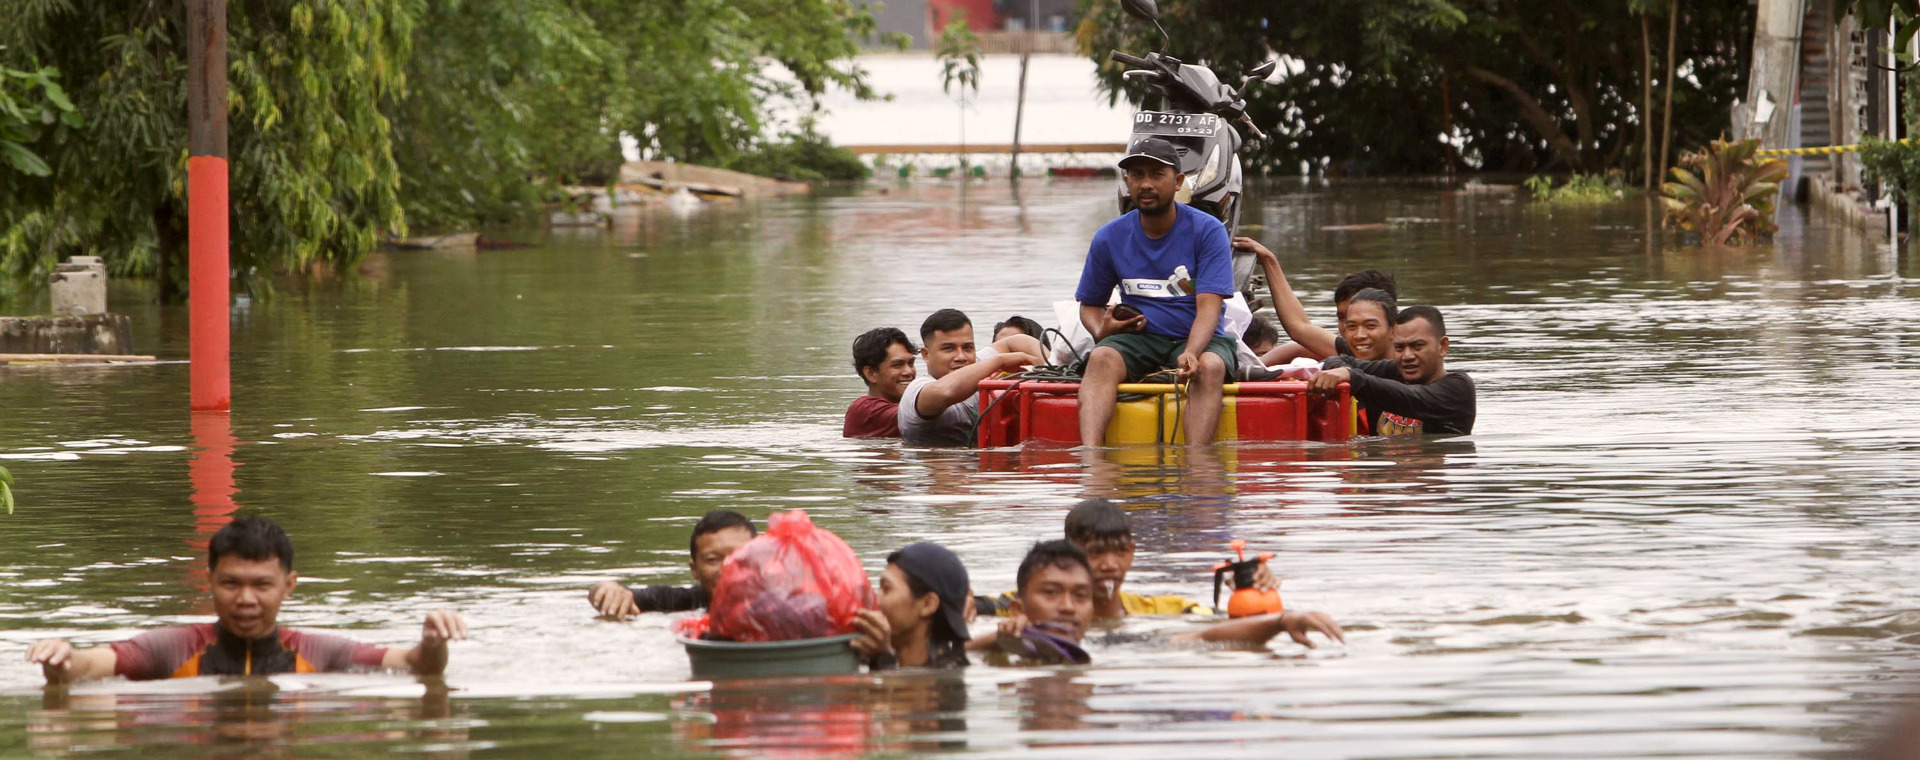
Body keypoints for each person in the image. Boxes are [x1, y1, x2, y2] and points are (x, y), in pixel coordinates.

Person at [26, 516, 467, 683]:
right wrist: (61, 660)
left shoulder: (319, 652)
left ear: (289, 586)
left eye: (262, 585)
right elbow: (88, 666)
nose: (246, 600)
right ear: (209, 582)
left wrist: (432, 644)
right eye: (231, 583)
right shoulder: (173, 649)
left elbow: (414, 666)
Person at [1075, 137, 1238, 447]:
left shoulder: (1208, 230)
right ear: (1127, 182)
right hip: (1139, 340)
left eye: (1156, 174)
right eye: (1137, 175)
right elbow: (1090, 305)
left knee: (1210, 366)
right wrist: (1101, 330)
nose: (1145, 184)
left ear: (1177, 181)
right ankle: (1092, 460)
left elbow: (1208, 309)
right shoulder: (1109, 237)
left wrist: (1191, 352)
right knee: (1101, 357)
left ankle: (1196, 465)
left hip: (1200, 339)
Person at [968, 540, 1343, 663]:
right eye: (1051, 593)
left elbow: (1206, 638)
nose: (1068, 606)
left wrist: (1280, 621)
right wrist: (999, 640)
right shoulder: (993, 649)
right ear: (1019, 607)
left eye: (1080, 595)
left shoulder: (1112, 647)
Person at [977, 498, 1267, 618]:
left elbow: (1235, 624)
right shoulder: (1030, 604)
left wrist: (1250, 593)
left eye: (1120, 552)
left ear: (1133, 552)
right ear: (1070, 555)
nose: (1110, 565)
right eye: (1095, 553)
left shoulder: (1163, 609)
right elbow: (964, 606)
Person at [1311, 305, 1475, 435]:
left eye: (1418, 346)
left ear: (1443, 346)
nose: (1407, 356)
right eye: (1399, 347)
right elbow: (1338, 360)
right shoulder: (1394, 370)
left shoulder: (1458, 389)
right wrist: (1343, 372)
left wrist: (1352, 377)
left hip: (1428, 474)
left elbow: (1409, 397)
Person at [1236, 236, 1398, 364]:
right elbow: (1299, 334)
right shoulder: (1353, 350)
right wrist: (1252, 370)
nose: (1359, 334)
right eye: (1349, 323)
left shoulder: (1409, 360)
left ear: (1392, 327)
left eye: (1369, 324)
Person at [898, 309, 1042, 447]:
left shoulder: (973, 363)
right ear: (926, 355)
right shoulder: (916, 389)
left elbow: (1016, 341)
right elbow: (945, 391)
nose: (961, 357)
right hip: (942, 468)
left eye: (968, 348)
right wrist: (1000, 361)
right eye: (948, 348)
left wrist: (1048, 366)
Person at [588, 509, 757, 616]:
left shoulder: (780, 601)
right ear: (695, 570)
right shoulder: (680, 603)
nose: (727, 569)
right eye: (712, 560)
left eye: (739, 558)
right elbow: (619, 595)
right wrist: (609, 590)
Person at [848, 542, 972, 670]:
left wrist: (883, 662)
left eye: (886, 589)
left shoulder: (945, 677)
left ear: (927, 604)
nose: (875, 599)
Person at [845, 327, 917, 438]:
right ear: (871, 374)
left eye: (911, 364)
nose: (909, 372)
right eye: (897, 365)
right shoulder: (865, 410)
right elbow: (918, 416)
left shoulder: (909, 406)